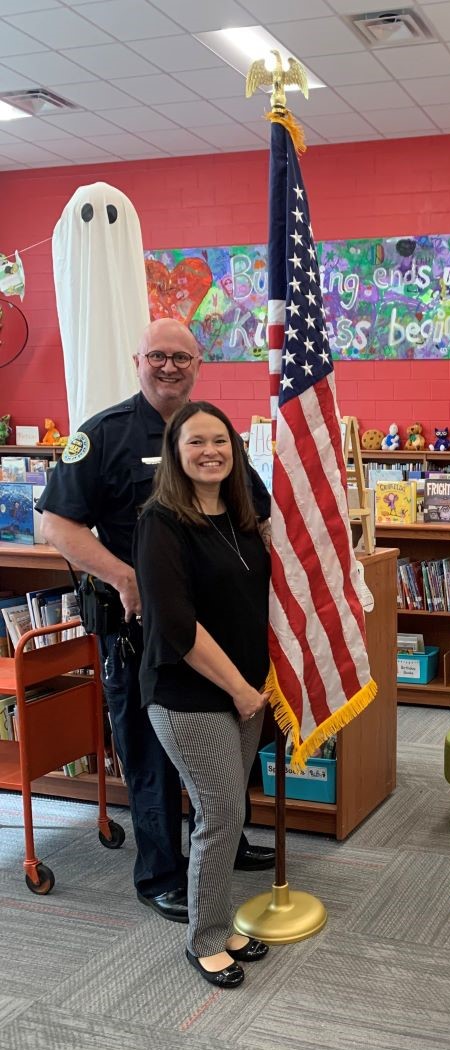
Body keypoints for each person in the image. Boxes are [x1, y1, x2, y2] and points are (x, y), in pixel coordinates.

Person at [37, 318, 275, 925]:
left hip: (220, 627)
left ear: (199, 365)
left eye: (183, 358)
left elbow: (253, 511)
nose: (170, 367)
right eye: (158, 356)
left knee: (228, 738)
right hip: (142, 630)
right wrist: (124, 576)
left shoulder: (216, 434)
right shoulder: (104, 435)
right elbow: (54, 525)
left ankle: (222, 841)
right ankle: (162, 873)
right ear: (137, 359)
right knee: (149, 753)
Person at [134, 401, 271, 988]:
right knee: (219, 815)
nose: (210, 451)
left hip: (244, 692)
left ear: (235, 450)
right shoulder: (160, 521)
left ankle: (221, 921)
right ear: (175, 452)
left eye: (221, 441)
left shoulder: (240, 515)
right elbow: (176, 626)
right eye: (196, 442)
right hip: (189, 695)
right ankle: (205, 938)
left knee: (230, 811)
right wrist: (241, 689)